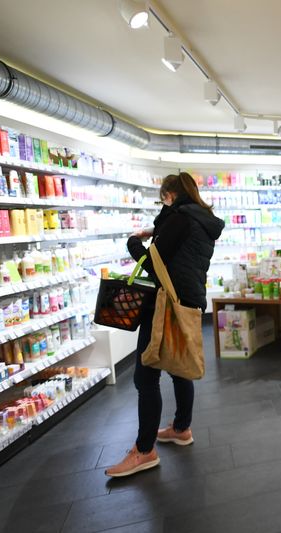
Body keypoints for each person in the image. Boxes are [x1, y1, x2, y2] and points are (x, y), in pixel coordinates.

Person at [105, 172, 224, 477]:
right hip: (189, 300)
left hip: (166, 305)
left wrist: (134, 243)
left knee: (145, 377)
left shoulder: (179, 219)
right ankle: (182, 428)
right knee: (178, 365)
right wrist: (157, 226)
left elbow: (153, 264)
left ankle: (144, 451)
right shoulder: (201, 220)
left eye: (163, 199)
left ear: (169, 195)